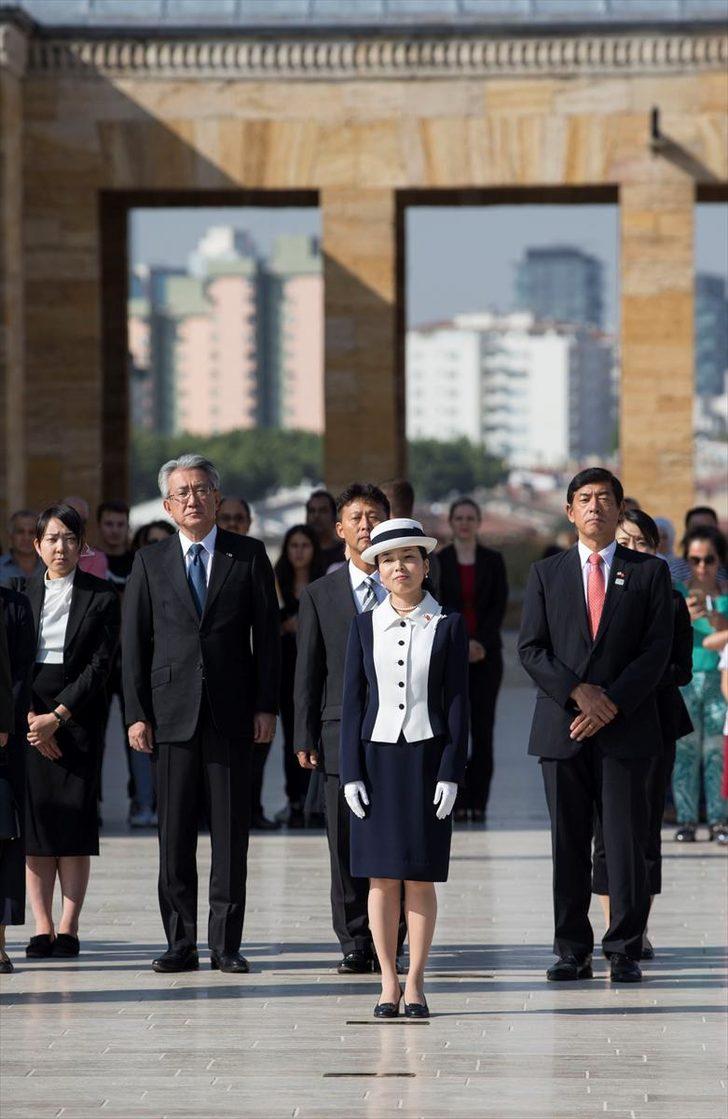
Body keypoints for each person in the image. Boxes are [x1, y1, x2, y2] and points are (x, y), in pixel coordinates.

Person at [122, 453, 280, 974]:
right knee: (174, 836)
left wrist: (266, 705)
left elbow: (269, 639)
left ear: (217, 497)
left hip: (233, 713)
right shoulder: (150, 561)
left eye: (202, 490)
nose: (193, 499)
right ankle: (180, 942)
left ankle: (226, 944)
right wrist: (137, 714)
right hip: (170, 715)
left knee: (232, 836)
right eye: (182, 493)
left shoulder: (249, 555)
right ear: (168, 505)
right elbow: (134, 647)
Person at [518, 467, 673, 984]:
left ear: (619, 506)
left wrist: (612, 703)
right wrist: (578, 693)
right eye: (584, 499)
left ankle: (624, 947)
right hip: (563, 730)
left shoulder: (647, 574)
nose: (594, 507)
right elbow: (531, 649)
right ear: (569, 511)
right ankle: (571, 948)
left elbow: (657, 651)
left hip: (626, 728)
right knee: (568, 841)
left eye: (604, 499)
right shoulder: (548, 573)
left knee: (624, 841)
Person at [340, 519, 468, 1018]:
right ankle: (387, 982)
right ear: (378, 568)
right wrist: (350, 772)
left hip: (426, 759)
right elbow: (353, 703)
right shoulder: (362, 624)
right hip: (375, 761)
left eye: (409, 558)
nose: (400, 567)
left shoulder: (448, 624)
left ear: (426, 564)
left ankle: (416, 981)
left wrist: (452, 770)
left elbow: (458, 705)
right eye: (389, 560)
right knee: (379, 879)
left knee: (419, 876)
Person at [294, 483, 393, 973]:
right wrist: (303, 736)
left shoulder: (410, 585)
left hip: (400, 732)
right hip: (337, 732)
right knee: (344, 841)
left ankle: (390, 937)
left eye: (374, 516)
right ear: (339, 529)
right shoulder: (320, 594)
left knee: (392, 838)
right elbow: (308, 670)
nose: (365, 525)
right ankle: (355, 940)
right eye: (355, 517)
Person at [592, 509, 693, 957]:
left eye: (641, 544)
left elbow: (681, 668)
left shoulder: (670, 600)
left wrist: (638, 680)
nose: (632, 551)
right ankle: (614, 922)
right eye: (625, 542)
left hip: (652, 723)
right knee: (604, 831)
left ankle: (636, 924)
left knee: (643, 828)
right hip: (599, 722)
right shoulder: (593, 594)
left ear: (658, 551)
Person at [24, 505, 120, 959]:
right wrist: (30, 719)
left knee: (74, 823)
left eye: (69, 539)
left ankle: (68, 925)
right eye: (51, 538)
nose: (60, 547)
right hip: (27, 718)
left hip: (77, 715)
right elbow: (10, 663)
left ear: (82, 547)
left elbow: (100, 664)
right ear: (36, 544)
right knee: (38, 825)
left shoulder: (101, 596)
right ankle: (41, 926)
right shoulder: (19, 594)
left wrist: (58, 717)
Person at [437, 498, 508, 823]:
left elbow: (498, 607)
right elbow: (437, 606)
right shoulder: (438, 561)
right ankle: (456, 799)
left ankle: (478, 801)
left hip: (487, 657)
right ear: (451, 523)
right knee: (454, 730)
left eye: (470, 518)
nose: (464, 523)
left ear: (478, 522)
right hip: (451, 656)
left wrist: (480, 643)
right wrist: (461, 644)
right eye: (459, 518)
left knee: (483, 731)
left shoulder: (494, 561)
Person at [671, 525, 728, 842]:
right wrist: (687, 618)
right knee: (685, 752)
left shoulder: (726, 596)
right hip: (686, 680)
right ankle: (687, 819)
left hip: (721, 681)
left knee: (718, 752)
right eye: (695, 560)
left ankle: (720, 819)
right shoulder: (676, 593)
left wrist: (717, 619)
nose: (702, 567)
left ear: (719, 560)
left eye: (709, 559)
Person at [274, 524, 325, 829]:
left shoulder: (324, 583)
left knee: (316, 735)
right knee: (291, 737)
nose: (299, 551)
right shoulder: (276, 581)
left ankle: (316, 798)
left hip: (316, 670)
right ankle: (294, 798)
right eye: (293, 545)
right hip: (286, 668)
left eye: (305, 545)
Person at [0, 596, 31, 973]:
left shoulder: (13, 605)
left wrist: (6, 723)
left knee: (4, 841)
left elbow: (16, 672)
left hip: (4, 741)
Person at [671, 507, 728, 584]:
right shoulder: (675, 570)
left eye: (708, 529)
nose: (702, 566)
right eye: (697, 529)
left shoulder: (724, 568)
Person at [62, 496, 109, 579]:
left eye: (82, 522)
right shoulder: (42, 555)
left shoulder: (96, 559)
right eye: (70, 519)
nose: (76, 526)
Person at [0, 510, 42, 588]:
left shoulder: (51, 567)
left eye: (32, 532)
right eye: (20, 532)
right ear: (10, 535)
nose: (26, 538)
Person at [306, 490, 346, 571]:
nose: (316, 516)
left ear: (334, 516)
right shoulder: (299, 554)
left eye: (323, 511)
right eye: (312, 511)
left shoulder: (345, 553)